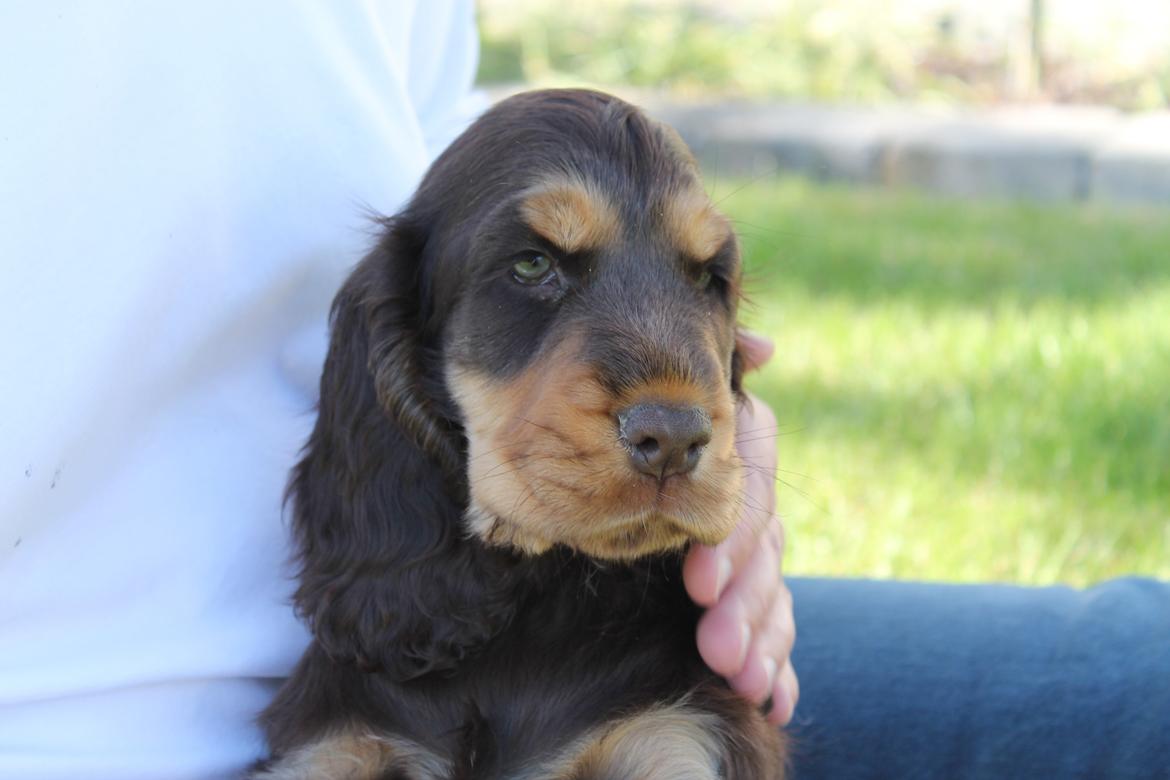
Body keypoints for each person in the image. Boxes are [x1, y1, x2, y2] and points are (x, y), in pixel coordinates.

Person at [0, 3, 793, 778]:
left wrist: (737, 425)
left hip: (621, 628)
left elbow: (457, 163)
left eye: (707, 276)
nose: (670, 414)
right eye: (533, 264)